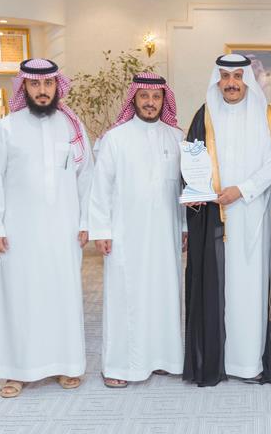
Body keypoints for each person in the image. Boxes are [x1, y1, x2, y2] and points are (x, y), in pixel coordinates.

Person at [0, 58, 93, 398]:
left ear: (57, 86)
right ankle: (16, 371)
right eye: (35, 84)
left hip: (64, 230)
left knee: (62, 297)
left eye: (48, 84)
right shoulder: (6, 128)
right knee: (20, 298)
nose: (42, 91)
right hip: (20, 233)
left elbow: (87, 177)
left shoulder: (72, 126)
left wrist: (86, 222)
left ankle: (66, 365)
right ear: (24, 87)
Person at [183, 54, 271, 387]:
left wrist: (241, 190)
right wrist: (197, 189)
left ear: (247, 79)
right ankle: (216, 361)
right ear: (217, 80)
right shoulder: (204, 115)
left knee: (250, 289)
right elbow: (190, 164)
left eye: (237, 77)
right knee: (217, 288)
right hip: (213, 218)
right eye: (225, 77)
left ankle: (248, 363)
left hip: (252, 216)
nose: (231, 84)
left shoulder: (266, 115)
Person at [89, 73, 185, 388]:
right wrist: (101, 229)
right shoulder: (115, 138)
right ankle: (118, 367)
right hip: (125, 234)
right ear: (134, 99)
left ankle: (163, 359)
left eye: (156, 97)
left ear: (163, 100)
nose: (150, 102)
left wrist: (185, 225)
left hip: (166, 234)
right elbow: (100, 188)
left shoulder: (176, 137)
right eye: (144, 96)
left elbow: (183, 189)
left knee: (164, 294)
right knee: (125, 298)